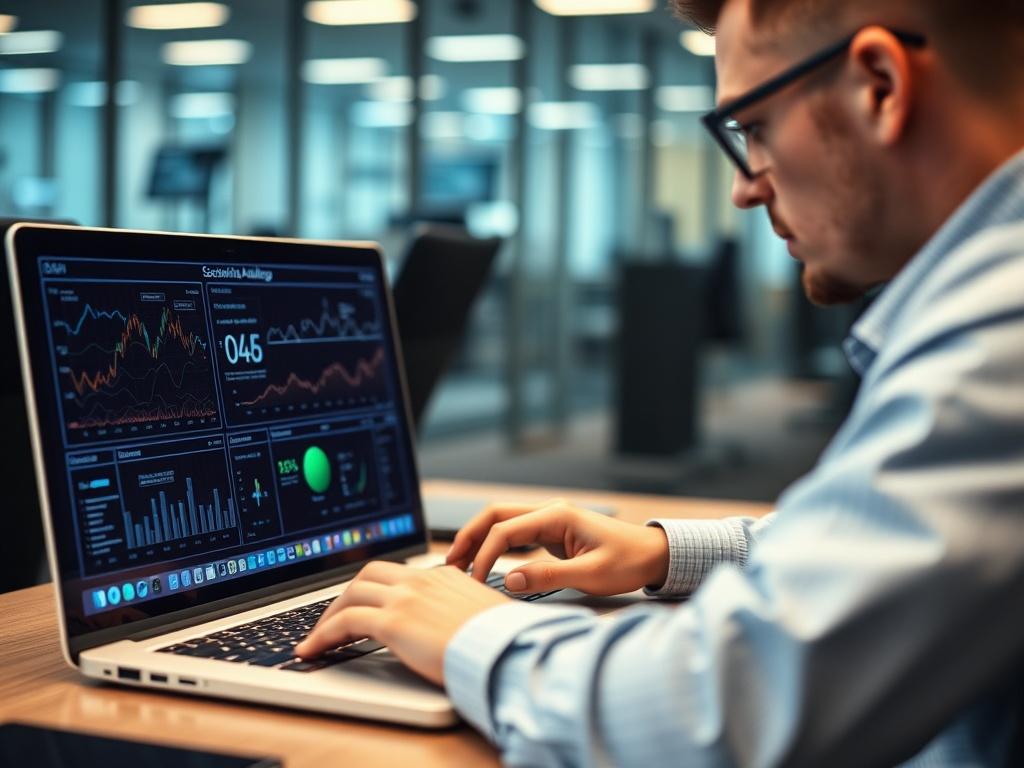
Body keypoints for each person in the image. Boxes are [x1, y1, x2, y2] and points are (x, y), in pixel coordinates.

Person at [296, 0, 1024, 763]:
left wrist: (473, 631)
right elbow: (879, 544)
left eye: (754, 128)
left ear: (880, 86)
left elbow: (705, 716)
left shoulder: (997, 339)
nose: (744, 188)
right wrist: (665, 551)